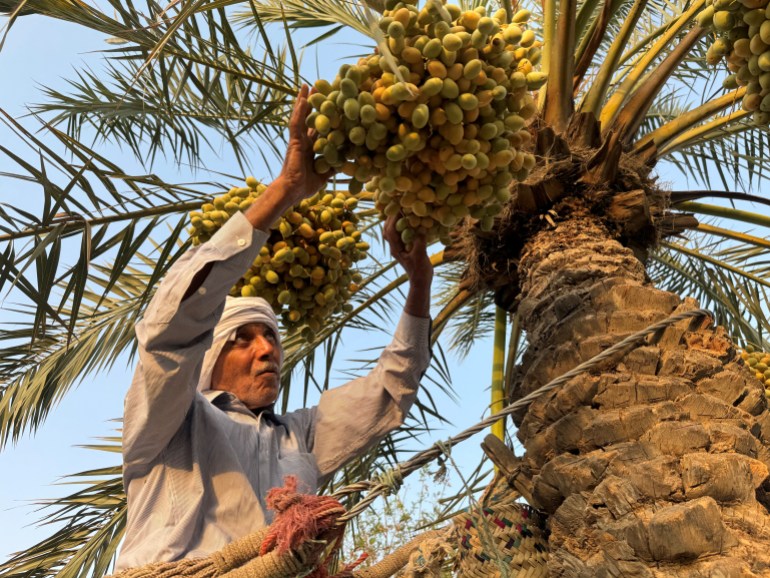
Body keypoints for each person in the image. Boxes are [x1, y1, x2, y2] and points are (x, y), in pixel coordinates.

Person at [115, 85, 434, 570]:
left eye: (271, 337)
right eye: (243, 339)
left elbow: (391, 390)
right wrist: (285, 190)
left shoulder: (301, 437)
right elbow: (172, 327)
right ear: (208, 354)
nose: (267, 350)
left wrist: (420, 281)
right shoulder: (171, 420)